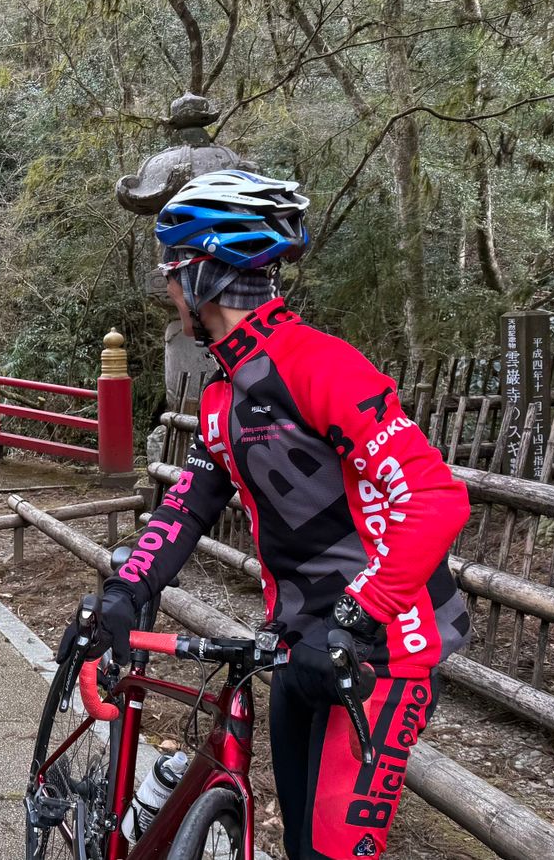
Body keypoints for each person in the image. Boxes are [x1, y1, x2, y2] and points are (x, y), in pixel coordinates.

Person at [58, 170, 471, 859]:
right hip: (298, 642)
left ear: (203, 275)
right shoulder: (224, 394)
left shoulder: (321, 366)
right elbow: (189, 503)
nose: (167, 290)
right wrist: (128, 588)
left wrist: (358, 615)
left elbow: (434, 498)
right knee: (296, 843)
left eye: (171, 273)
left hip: (382, 652)